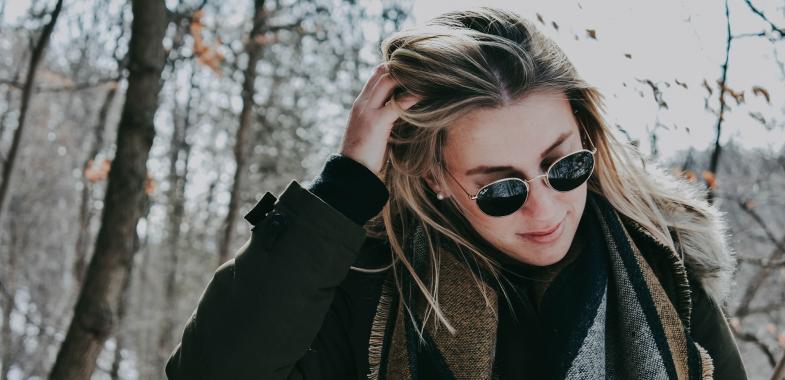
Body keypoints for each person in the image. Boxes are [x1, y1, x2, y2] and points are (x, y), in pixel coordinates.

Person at [165, 7, 747, 380]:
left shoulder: (661, 265)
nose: (544, 208)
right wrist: (342, 192)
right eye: (499, 188)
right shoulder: (373, 289)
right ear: (434, 178)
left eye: (566, 166)